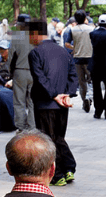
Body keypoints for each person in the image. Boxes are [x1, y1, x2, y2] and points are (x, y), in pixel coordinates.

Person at [28, 21, 77, 187]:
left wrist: (55, 95)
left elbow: (39, 78)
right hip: (62, 104)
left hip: (45, 103)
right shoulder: (63, 51)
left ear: (35, 34)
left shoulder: (35, 53)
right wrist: (67, 95)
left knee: (48, 139)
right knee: (59, 137)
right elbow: (73, 75)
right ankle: (69, 168)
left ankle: (57, 174)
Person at [8, 14, 36, 130]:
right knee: (32, 101)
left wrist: (10, 72)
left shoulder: (16, 36)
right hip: (34, 72)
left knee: (19, 102)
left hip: (20, 71)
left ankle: (21, 127)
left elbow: (11, 57)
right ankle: (32, 126)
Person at [65, 10, 94, 113]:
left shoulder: (72, 30)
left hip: (77, 58)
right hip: (90, 57)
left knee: (81, 82)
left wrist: (74, 47)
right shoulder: (91, 29)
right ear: (85, 18)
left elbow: (66, 44)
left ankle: (84, 101)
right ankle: (89, 97)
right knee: (91, 80)